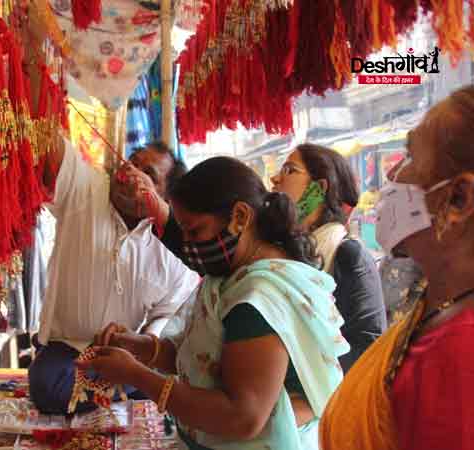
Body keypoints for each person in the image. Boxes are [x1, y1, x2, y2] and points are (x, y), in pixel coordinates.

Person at [80, 157, 349, 450]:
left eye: (194, 231)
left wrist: (136, 375)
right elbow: (203, 363)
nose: (187, 245)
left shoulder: (257, 301)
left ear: (240, 217)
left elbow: (242, 416)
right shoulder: (231, 278)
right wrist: (140, 347)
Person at [320, 85, 474, 450]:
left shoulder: (461, 353)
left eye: (409, 157)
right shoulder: (438, 311)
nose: (391, 178)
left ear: (458, 199)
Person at [29, 135, 198, 414]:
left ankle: (124, 388)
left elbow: (168, 314)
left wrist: (139, 341)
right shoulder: (87, 186)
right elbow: (50, 143)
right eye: (132, 162)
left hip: (129, 354)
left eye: (148, 174)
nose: (131, 173)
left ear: (165, 197)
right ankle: (124, 393)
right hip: (67, 349)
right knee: (48, 386)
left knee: (175, 378)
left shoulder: (174, 244)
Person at [270, 144, 386, 372]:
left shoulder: (347, 253)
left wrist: (307, 379)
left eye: (289, 170)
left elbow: (368, 345)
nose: (275, 179)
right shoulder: (280, 251)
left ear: (319, 188)